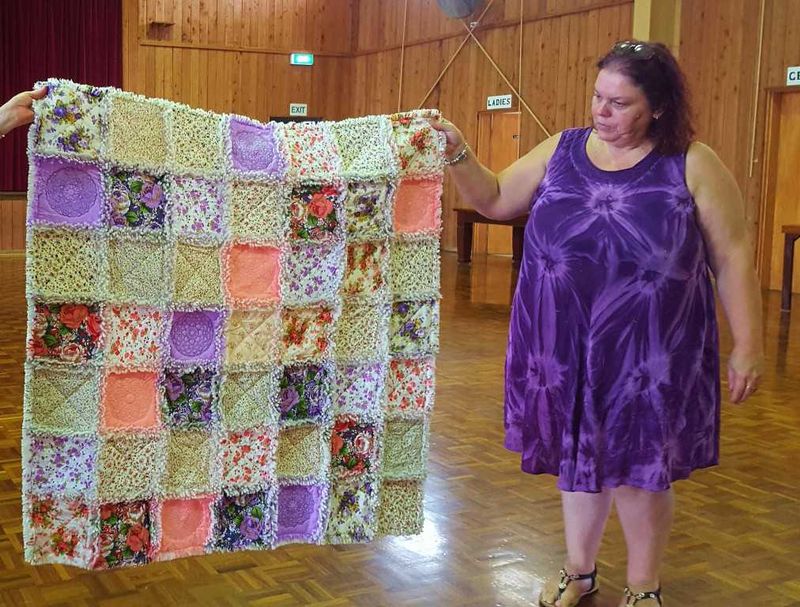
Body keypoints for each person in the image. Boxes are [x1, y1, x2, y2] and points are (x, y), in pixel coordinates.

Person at [432, 40, 763, 607]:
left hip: (652, 354)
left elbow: (731, 256)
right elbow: (492, 198)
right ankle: (578, 573)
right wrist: (459, 153)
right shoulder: (560, 149)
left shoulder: (691, 162)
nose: (601, 112)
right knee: (576, 459)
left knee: (640, 470)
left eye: (620, 103)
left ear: (658, 107)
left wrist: (748, 345)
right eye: (597, 97)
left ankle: (643, 588)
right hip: (560, 345)